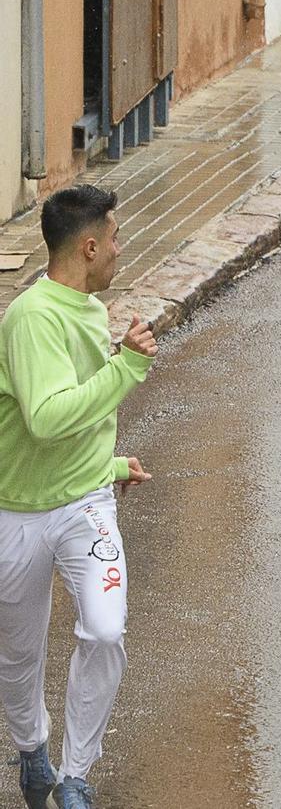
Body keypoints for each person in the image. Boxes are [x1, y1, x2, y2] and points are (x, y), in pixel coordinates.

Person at [0, 186, 155, 808]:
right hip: (18, 510)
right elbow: (44, 417)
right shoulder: (33, 318)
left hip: (85, 501)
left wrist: (109, 462)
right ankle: (32, 749)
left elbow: (79, 418)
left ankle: (75, 775)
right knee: (20, 650)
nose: (121, 249)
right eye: (115, 238)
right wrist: (126, 370)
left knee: (105, 629)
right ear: (89, 247)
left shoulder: (89, 307)